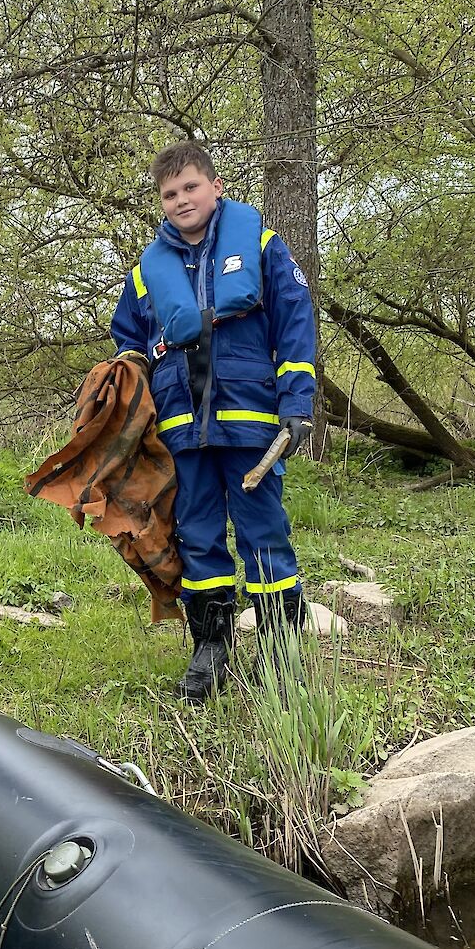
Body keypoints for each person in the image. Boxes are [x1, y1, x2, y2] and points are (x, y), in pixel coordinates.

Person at [111, 141, 316, 701]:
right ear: (160, 202)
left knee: (263, 533)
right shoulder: (144, 274)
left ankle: (282, 655)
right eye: (169, 193)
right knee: (197, 535)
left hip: (251, 422)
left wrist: (297, 403)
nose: (181, 200)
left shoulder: (264, 246)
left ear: (215, 186)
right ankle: (210, 650)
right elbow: (128, 340)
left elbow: (295, 325)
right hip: (183, 426)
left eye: (191, 187)